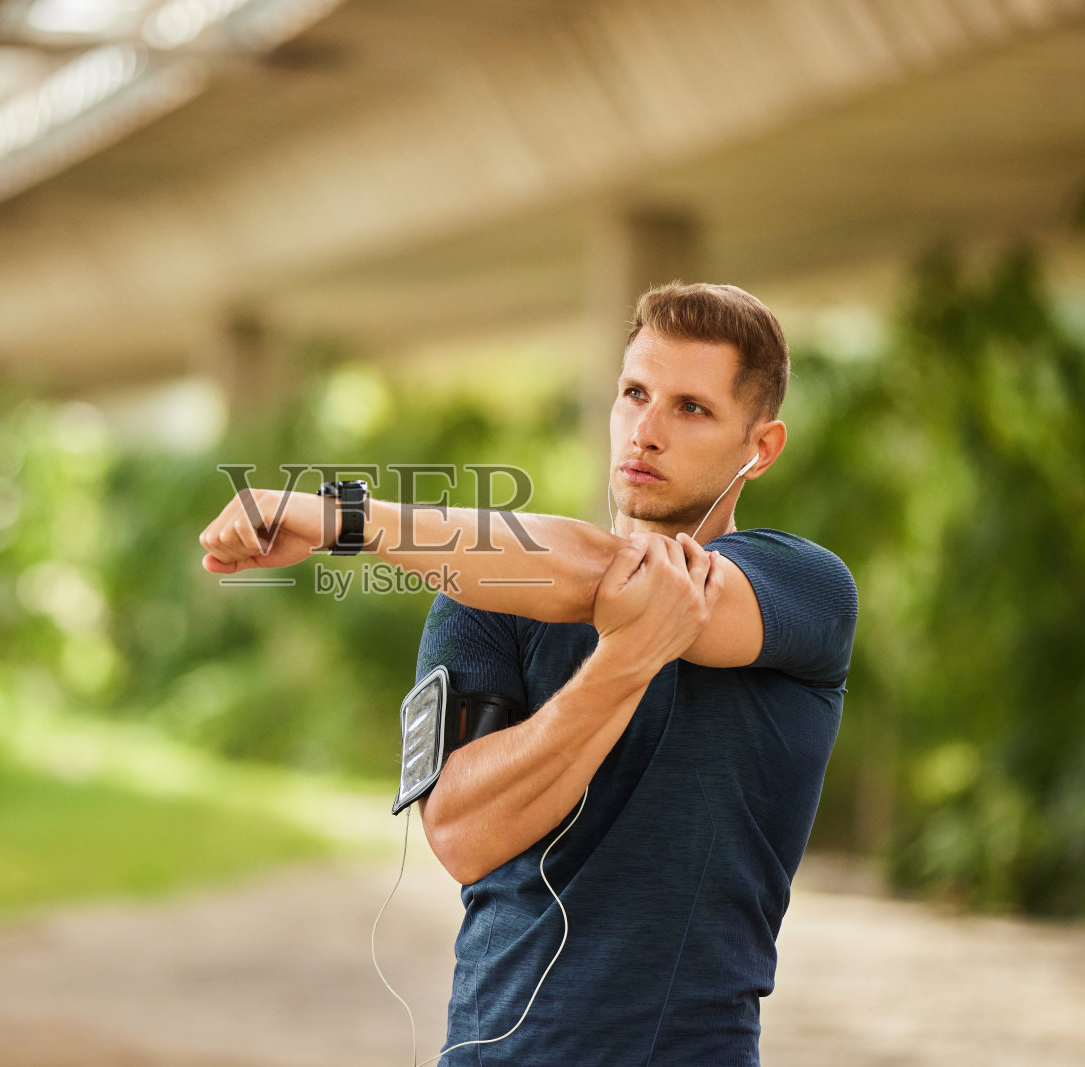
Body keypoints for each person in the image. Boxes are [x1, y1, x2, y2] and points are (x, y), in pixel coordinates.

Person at [197, 281, 858, 1065]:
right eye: (634, 393)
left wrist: (347, 519)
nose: (645, 431)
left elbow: (629, 576)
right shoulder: (481, 592)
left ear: (761, 446)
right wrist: (623, 662)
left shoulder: (802, 590)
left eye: (691, 408)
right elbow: (462, 836)